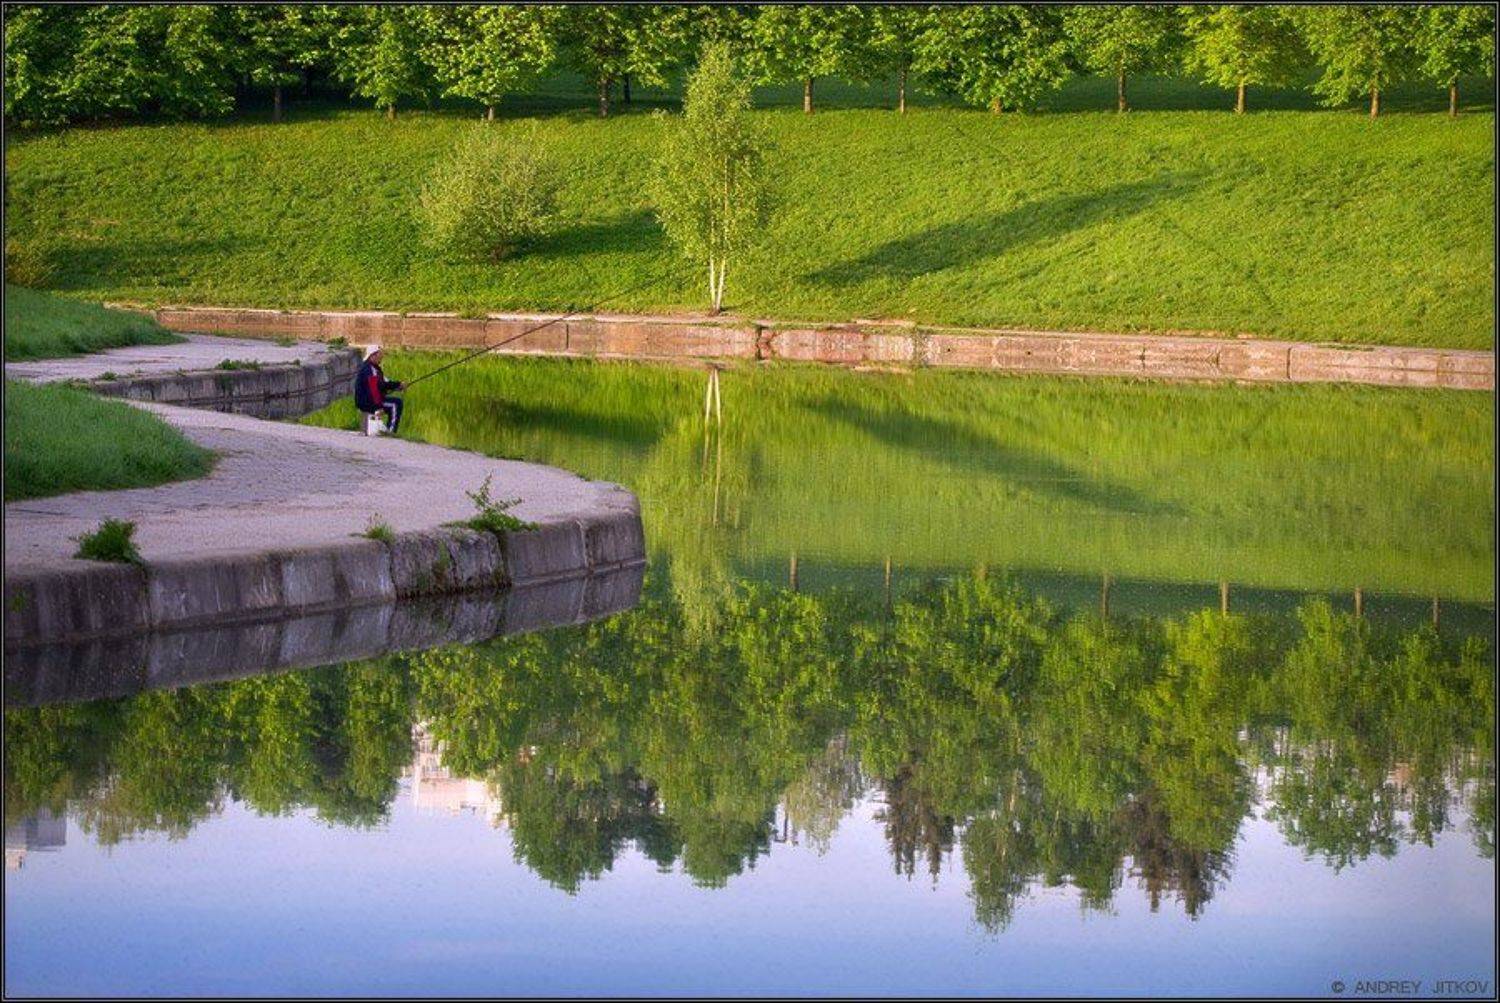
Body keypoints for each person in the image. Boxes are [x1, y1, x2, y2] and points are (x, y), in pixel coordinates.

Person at [354, 346, 405, 435]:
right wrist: (378, 407)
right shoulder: (369, 369)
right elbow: (373, 389)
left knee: (396, 402)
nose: (381, 357)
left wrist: (398, 385)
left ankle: (388, 431)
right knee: (395, 404)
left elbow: (384, 384)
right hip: (368, 401)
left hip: (369, 400)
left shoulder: (374, 368)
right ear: (372, 356)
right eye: (379, 354)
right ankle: (391, 433)